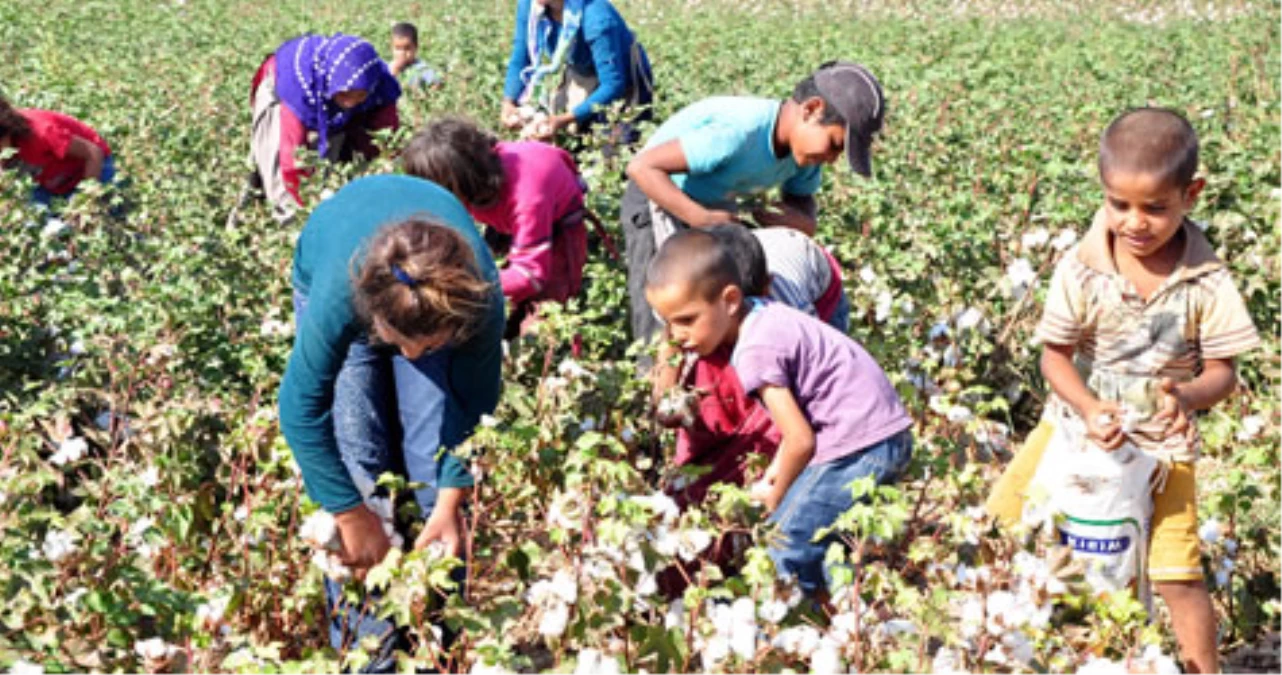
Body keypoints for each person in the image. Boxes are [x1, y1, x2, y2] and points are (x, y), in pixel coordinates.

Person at [985, 108, 1260, 675]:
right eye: (1120, 205)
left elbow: (1223, 373)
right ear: (1104, 193)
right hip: (1073, 432)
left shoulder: (1206, 280)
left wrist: (1185, 398)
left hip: (1163, 447)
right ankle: (1010, 646)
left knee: (1175, 573)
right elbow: (1054, 357)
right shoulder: (1081, 269)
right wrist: (1087, 408)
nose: (1135, 222)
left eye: (1155, 208)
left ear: (1192, 195)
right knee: (1004, 519)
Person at [278, 174, 505, 666]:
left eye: (425, 347)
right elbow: (300, 411)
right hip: (338, 258)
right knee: (358, 461)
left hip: (435, 297)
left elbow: (473, 408)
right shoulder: (341, 295)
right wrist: (348, 514)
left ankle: (437, 642)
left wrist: (449, 503)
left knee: (431, 466)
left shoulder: (478, 302)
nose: (408, 354)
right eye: (398, 341)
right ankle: (370, 655)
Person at [645, 229, 913, 594]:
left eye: (688, 320)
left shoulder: (755, 350)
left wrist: (774, 496)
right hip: (878, 434)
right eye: (667, 323)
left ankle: (781, 632)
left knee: (781, 548)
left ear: (730, 300)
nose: (677, 335)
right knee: (826, 546)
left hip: (854, 446)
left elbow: (799, 439)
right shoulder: (764, 313)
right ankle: (844, 623)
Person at [622, 61, 884, 342]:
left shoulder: (805, 156)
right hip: (658, 197)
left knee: (716, 310)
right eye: (834, 145)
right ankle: (652, 379)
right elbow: (641, 168)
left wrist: (794, 220)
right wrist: (703, 220)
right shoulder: (737, 133)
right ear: (811, 109)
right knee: (666, 313)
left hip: (713, 212)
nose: (832, 159)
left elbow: (804, 210)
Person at [655, 223, 849, 507]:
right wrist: (666, 399)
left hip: (821, 285)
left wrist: (778, 482)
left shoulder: (787, 311)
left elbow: (806, 379)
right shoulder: (684, 292)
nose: (680, 328)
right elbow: (670, 344)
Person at [402, 118, 590, 337]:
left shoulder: (527, 197)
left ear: (463, 181)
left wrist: (461, 285)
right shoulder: (468, 178)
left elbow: (530, 274)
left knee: (544, 318)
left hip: (557, 222)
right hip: (503, 211)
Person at [249, 34, 401, 222]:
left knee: (332, 165)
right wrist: (305, 209)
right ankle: (272, 226)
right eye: (345, 95)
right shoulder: (298, 88)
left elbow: (386, 137)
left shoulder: (379, 82)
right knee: (277, 177)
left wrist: (377, 169)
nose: (350, 103)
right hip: (281, 90)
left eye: (359, 96)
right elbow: (291, 157)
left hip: (328, 93)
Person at [501, 0, 653, 143]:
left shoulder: (596, 17)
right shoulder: (532, 5)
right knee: (573, 142)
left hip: (623, 81)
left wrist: (564, 119)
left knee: (613, 149)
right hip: (582, 71)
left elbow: (613, 85)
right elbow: (521, 55)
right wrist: (508, 103)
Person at [0, 96, 115, 207]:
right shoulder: (7, 145)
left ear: (8, 131)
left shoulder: (42, 133)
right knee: (32, 217)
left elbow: (93, 152)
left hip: (93, 167)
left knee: (110, 209)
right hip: (51, 182)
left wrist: (85, 203)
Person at [389, 22, 442, 90]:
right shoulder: (389, 67)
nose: (402, 53)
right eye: (398, 48)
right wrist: (394, 71)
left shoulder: (421, 68)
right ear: (391, 48)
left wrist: (427, 95)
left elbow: (437, 83)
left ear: (416, 47)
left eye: (407, 48)